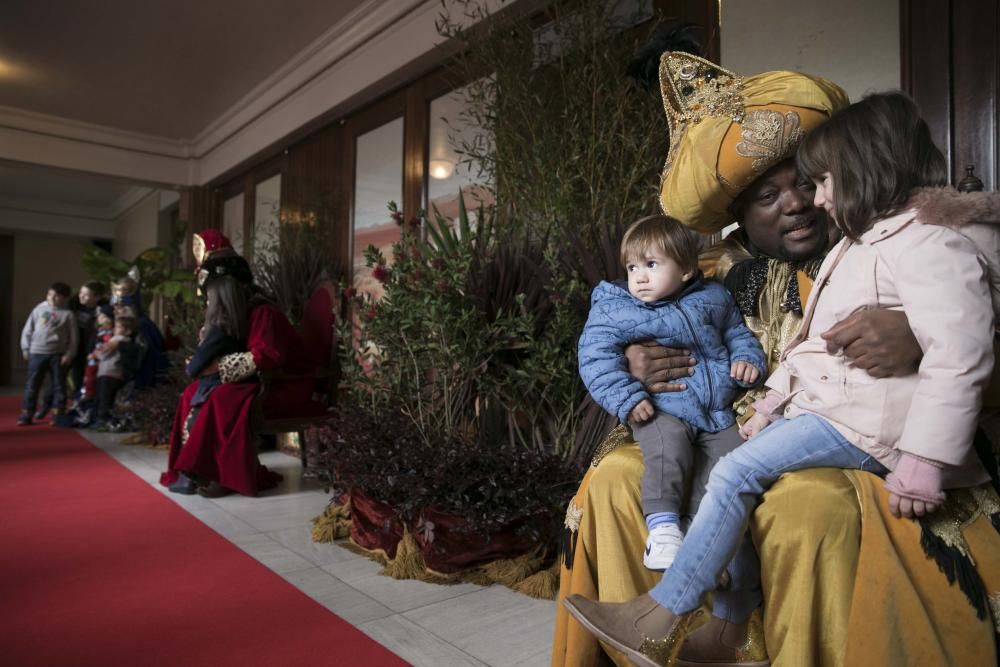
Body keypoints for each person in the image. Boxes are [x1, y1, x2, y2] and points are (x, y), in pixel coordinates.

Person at [552, 49, 1000, 667]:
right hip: (750, 425)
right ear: (737, 222)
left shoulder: (903, 241)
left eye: (807, 183)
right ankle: (652, 640)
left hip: (876, 443)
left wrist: (913, 339)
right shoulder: (723, 281)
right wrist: (635, 364)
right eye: (768, 194)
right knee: (616, 479)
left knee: (801, 509)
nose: (798, 202)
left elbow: (966, 335)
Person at [578, 214, 766, 570]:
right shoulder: (616, 308)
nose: (640, 277)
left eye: (651, 264)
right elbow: (594, 357)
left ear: (685, 270)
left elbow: (736, 332)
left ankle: (695, 528)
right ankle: (662, 530)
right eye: (632, 267)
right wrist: (628, 398)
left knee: (733, 462)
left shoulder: (712, 297)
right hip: (660, 409)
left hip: (716, 412)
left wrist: (746, 358)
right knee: (669, 451)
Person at [160, 232, 318, 498]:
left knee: (222, 398)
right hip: (260, 379)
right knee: (191, 393)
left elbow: (267, 355)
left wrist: (219, 366)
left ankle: (221, 475)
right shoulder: (240, 313)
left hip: (285, 382)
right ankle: (194, 471)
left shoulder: (263, 311)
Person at [167, 273, 248, 494]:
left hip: (212, 385)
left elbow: (193, 369)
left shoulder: (218, 329)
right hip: (226, 383)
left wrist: (192, 361)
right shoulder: (238, 325)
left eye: (209, 298)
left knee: (192, 424)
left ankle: (193, 477)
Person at [17, 282, 78, 426]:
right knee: (32, 385)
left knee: (59, 386)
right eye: (50, 294)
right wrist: (25, 348)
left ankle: (58, 415)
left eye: (57, 296)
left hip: (58, 354)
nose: (52, 298)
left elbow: (74, 338)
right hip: (37, 352)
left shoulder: (68, 314)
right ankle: (27, 414)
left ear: (65, 298)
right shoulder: (39, 309)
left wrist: (69, 354)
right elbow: (27, 330)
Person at [91, 315, 136, 426]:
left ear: (128, 331)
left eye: (118, 327)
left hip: (109, 372)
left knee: (105, 398)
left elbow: (102, 353)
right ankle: (106, 419)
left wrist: (95, 353)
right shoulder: (125, 341)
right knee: (108, 398)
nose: (114, 329)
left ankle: (103, 420)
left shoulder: (117, 340)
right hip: (113, 373)